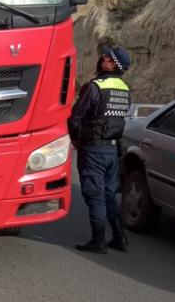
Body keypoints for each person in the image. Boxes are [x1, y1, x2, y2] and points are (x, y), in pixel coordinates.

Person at [68, 45, 132, 254]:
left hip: (93, 148)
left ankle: (98, 241)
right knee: (108, 194)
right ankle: (119, 238)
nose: (102, 58)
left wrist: (75, 139)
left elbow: (76, 116)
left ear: (113, 64)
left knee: (95, 194)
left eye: (107, 57)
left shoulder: (95, 86)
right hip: (113, 150)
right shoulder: (124, 88)